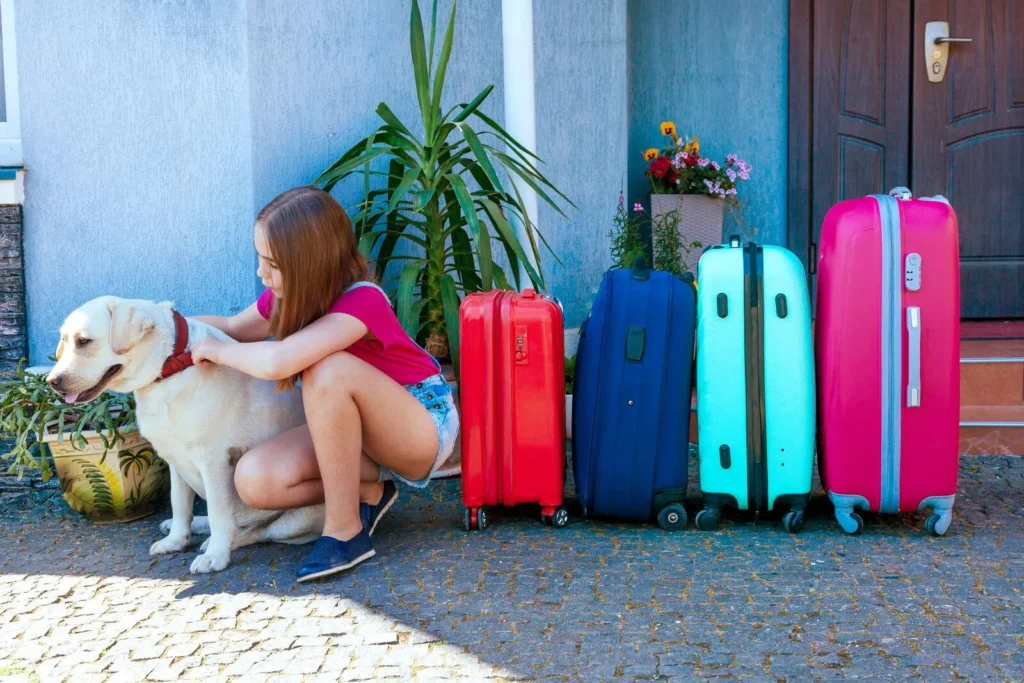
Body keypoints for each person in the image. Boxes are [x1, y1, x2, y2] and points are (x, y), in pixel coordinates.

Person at [191, 186, 460, 582]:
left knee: (328, 369)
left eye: (272, 264)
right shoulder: (291, 298)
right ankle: (370, 495)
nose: (261, 274)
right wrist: (167, 330)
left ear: (308, 265)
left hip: (419, 423)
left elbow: (278, 360)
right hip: (356, 435)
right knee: (254, 481)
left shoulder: (362, 301)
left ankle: (345, 530)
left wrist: (215, 350)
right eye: (260, 259)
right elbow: (233, 328)